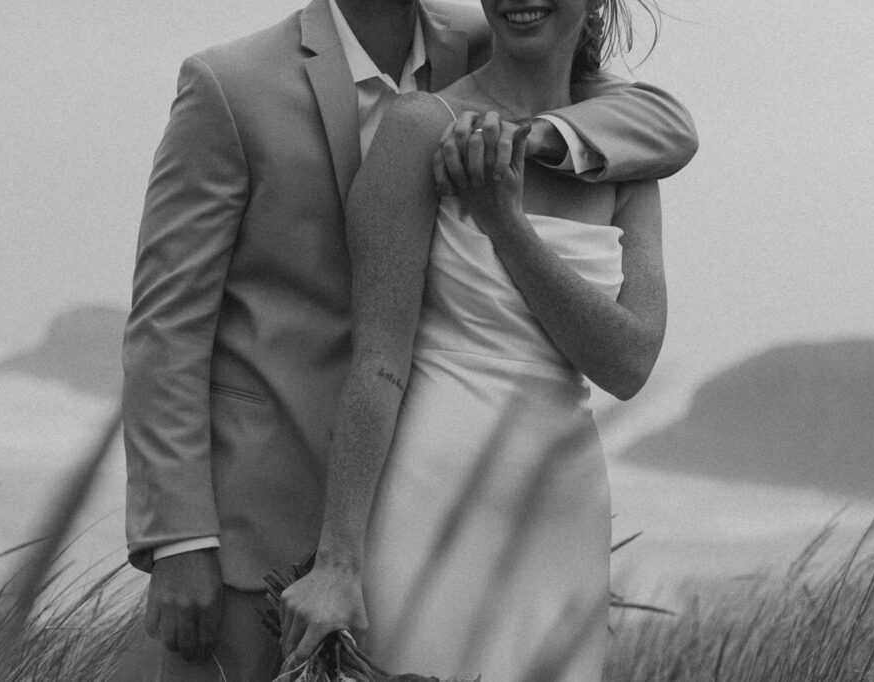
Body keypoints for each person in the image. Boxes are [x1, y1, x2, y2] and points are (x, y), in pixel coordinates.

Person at [123, 0, 695, 679]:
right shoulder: (234, 84)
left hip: (554, 505)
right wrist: (178, 538)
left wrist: (525, 146)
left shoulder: (488, 39)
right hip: (284, 506)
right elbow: (167, 327)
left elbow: (666, 123)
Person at [278, 0, 671, 679]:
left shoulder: (625, 154)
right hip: (431, 497)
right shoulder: (421, 126)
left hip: (562, 511)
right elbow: (378, 362)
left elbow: (628, 363)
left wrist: (504, 222)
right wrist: (337, 561)